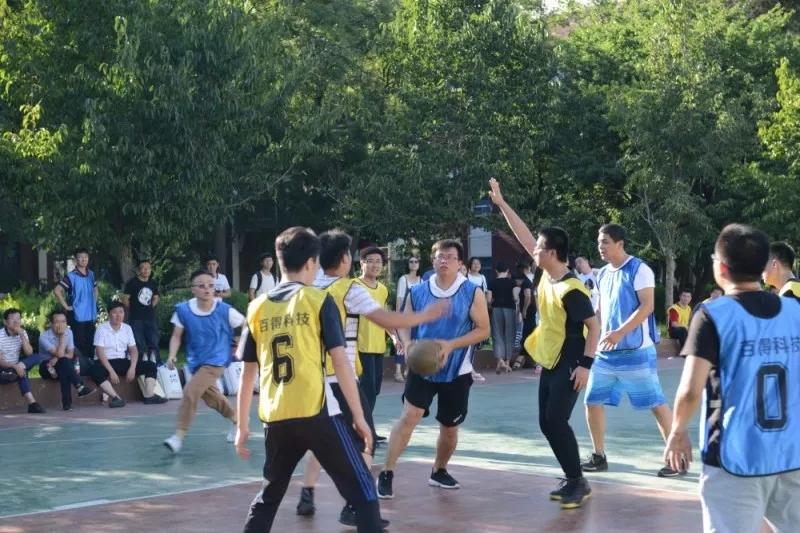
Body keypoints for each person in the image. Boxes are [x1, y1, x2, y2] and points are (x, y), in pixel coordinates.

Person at [234, 226, 384, 533]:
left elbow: (247, 373)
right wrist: (358, 416)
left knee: (269, 497)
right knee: (364, 493)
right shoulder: (317, 299)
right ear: (312, 262)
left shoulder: (256, 307)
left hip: (275, 415)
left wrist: (241, 425)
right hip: (316, 412)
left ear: (278, 260)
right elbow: (340, 361)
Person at [295, 229, 446, 525]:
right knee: (365, 441)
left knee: (320, 440)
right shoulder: (348, 289)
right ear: (344, 259)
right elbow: (386, 318)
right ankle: (354, 506)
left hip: (310, 377)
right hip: (339, 377)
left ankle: (307, 494)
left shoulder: (307, 287)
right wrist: (425, 316)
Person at [664, 223, 800, 533]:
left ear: (721, 267)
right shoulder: (795, 311)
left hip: (735, 455)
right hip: (791, 452)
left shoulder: (713, 314)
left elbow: (690, 390)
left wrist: (678, 430)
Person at [489, 178, 600, 509]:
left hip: (571, 360)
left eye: (539, 248)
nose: (533, 250)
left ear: (552, 252)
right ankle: (573, 477)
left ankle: (578, 481)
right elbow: (524, 236)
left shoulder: (573, 288)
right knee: (546, 422)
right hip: (551, 358)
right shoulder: (545, 273)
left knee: (556, 420)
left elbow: (593, 327)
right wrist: (502, 204)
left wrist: (585, 366)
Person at [377, 239, 490, 499]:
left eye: (450, 256)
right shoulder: (418, 291)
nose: (444, 260)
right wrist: (408, 345)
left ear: (460, 263)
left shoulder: (472, 292)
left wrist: (451, 345)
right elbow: (403, 322)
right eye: (440, 256)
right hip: (422, 365)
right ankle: (386, 472)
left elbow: (484, 330)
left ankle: (439, 470)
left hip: (457, 369)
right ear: (433, 260)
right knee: (409, 416)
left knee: (449, 427)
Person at [581, 224, 680, 477]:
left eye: (605, 242)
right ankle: (599, 455)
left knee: (656, 404)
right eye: (599, 242)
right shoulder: (602, 274)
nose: (600, 247)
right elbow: (600, 311)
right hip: (605, 353)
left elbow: (647, 307)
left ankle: (675, 459)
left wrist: (620, 332)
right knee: (592, 401)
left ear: (620, 243)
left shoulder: (640, 269)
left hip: (636, 352)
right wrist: (592, 337)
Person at [163, 270, 242, 452]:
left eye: (211, 285)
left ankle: (178, 437)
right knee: (212, 398)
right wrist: (171, 355)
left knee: (190, 391)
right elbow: (176, 336)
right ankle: (237, 421)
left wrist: (240, 343)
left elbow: (247, 324)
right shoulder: (183, 310)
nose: (207, 289)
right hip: (197, 360)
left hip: (218, 358)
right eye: (202, 285)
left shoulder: (225, 310)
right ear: (193, 289)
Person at [89, 302, 165, 408]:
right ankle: (116, 398)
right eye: (115, 312)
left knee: (150, 365)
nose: (118, 315)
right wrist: (111, 371)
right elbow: (99, 352)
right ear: (109, 314)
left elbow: (133, 350)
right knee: (94, 370)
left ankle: (149, 395)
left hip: (121, 361)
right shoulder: (101, 329)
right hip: (104, 362)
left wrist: (132, 368)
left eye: (121, 312)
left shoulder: (127, 328)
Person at [355, 246, 390, 443]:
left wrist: (394, 337)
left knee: (374, 390)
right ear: (362, 263)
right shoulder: (353, 286)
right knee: (366, 390)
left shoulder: (383, 289)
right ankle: (364, 431)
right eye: (370, 261)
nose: (375, 265)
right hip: (360, 346)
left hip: (378, 346)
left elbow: (383, 316)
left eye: (379, 261)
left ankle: (364, 428)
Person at [38, 309, 95, 410]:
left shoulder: (69, 332)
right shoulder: (44, 337)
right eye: (57, 322)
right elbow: (60, 354)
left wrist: (57, 358)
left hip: (62, 365)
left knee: (64, 365)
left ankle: (67, 404)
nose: (61, 325)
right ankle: (79, 387)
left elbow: (70, 354)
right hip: (47, 366)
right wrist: (62, 337)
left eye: (63, 321)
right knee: (65, 364)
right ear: (51, 324)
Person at [54, 247, 98, 373]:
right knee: (79, 344)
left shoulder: (91, 274)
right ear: (75, 260)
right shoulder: (71, 276)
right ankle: (80, 370)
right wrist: (66, 306)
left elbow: (95, 289)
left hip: (90, 315)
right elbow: (57, 290)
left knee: (91, 342)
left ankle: (90, 368)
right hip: (77, 315)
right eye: (80, 257)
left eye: (85, 257)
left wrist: (93, 302)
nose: (83, 259)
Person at [0, 308, 47, 413]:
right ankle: (32, 404)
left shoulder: (22, 332)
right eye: (13, 319)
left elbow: (29, 353)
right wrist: (15, 366)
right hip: (3, 368)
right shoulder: (0, 336)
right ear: (5, 322)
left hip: (16, 367)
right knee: (21, 372)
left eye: (18, 318)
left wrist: (21, 335)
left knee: (37, 356)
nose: (16, 322)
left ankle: (17, 370)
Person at [122, 259, 161, 366]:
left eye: (148, 268)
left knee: (153, 341)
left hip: (150, 317)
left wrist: (150, 306)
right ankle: (140, 365)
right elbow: (125, 299)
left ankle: (156, 364)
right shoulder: (132, 283)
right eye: (143, 268)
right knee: (138, 342)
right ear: (139, 270)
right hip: (136, 318)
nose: (146, 270)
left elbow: (156, 297)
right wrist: (134, 308)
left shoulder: (152, 283)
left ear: (150, 270)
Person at [394, 256, 423, 382]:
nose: (414, 263)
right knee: (401, 342)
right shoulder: (403, 279)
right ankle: (397, 371)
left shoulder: (422, 280)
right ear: (408, 264)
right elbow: (399, 298)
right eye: (411, 261)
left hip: (416, 316)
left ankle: (408, 369)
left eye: (416, 261)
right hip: (404, 315)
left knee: (413, 342)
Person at [487, 261, 516, 374]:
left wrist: (490, 305)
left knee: (497, 334)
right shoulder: (512, 282)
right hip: (510, 309)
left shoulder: (492, 282)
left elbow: (489, 299)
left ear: (496, 271)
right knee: (509, 334)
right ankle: (507, 361)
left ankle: (500, 360)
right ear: (507, 271)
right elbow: (515, 297)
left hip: (496, 309)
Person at [466, 257, 487, 382]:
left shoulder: (482, 278)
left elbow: (485, 294)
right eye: (474, 263)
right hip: (468, 310)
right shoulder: (466, 277)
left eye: (478, 263)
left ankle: (470, 366)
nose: (476, 265)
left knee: (474, 339)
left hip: (478, 310)